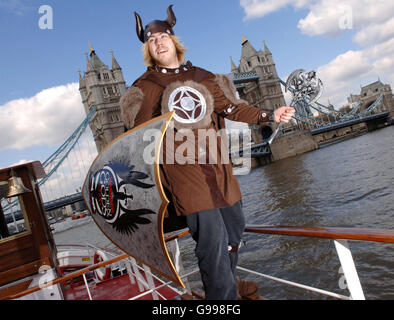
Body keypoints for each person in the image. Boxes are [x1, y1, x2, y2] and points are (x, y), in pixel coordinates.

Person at [120, 5, 295, 300]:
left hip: (219, 166)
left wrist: (270, 114)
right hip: (184, 171)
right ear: (148, 49)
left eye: (163, 36)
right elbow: (139, 135)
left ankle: (224, 285)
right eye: (152, 40)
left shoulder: (204, 76)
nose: (159, 42)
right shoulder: (146, 86)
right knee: (211, 241)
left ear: (174, 40)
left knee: (234, 233)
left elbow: (232, 107)